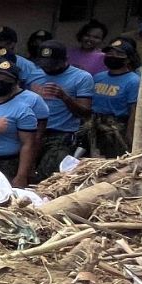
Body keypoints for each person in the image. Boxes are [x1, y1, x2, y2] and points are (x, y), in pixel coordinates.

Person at [31, 40, 95, 180]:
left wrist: (64, 97)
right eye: (44, 63)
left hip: (60, 136)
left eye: (52, 64)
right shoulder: (33, 75)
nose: (47, 67)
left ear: (65, 60)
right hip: (31, 133)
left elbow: (85, 113)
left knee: (48, 177)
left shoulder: (82, 77)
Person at [0, 58, 40, 188]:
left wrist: (21, 175)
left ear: (15, 83)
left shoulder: (23, 110)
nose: (0, 82)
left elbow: (28, 144)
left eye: (6, 79)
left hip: (8, 163)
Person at [86, 37, 140, 157]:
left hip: (116, 128)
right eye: (110, 52)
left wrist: (129, 134)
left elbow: (134, 110)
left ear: (127, 59)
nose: (112, 56)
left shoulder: (133, 81)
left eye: (118, 53)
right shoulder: (98, 77)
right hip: (95, 124)